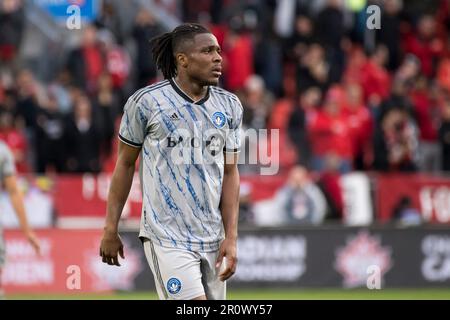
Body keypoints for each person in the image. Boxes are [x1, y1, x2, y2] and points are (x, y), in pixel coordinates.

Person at [99, 23, 242, 300]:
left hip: (212, 237)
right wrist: (110, 228)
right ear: (183, 60)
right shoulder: (146, 103)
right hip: (167, 237)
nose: (218, 58)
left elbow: (231, 172)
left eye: (219, 51)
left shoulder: (230, 106)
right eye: (208, 51)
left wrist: (231, 237)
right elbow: (125, 165)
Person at [0, 141, 40, 296]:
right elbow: (14, 192)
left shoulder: (3, 152)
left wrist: (28, 231)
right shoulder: (3, 151)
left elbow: (14, 192)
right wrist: (28, 232)